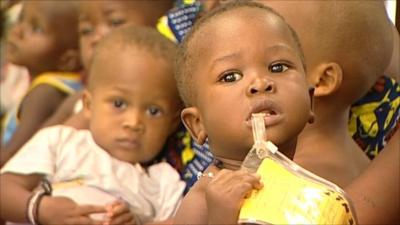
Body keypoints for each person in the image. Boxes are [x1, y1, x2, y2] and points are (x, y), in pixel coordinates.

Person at [0, 26, 185, 225]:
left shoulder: (164, 183)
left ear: (172, 123)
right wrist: (40, 209)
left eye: (153, 111)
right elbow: (5, 189)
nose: (133, 123)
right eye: (119, 104)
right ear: (88, 105)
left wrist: (140, 222)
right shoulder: (62, 142)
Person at [173, 2, 317, 224]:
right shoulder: (204, 201)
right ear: (198, 123)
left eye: (277, 67)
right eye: (230, 77)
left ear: (310, 101)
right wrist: (221, 218)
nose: (259, 83)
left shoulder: (311, 188)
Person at [257, 0, 397, 187]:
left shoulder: (289, 181)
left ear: (323, 80)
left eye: (275, 65)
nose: (252, 81)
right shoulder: (360, 165)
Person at [42, 0, 174, 130]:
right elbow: (40, 146)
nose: (96, 38)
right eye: (86, 30)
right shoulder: (81, 100)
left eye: (115, 22)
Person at [0, 1, 82, 167]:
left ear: (67, 60)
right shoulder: (65, 85)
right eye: (20, 20)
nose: (18, 31)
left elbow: (16, 155)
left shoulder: (45, 93)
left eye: (36, 28)